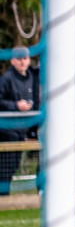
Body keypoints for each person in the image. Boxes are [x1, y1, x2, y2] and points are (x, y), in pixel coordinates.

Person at [0, 47, 39, 196]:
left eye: (25, 58)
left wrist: (31, 131)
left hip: (22, 130)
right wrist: (15, 105)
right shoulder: (6, 78)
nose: (22, 62)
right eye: (19, 59)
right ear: (12, 60)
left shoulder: (31, 78)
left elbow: (35, 102)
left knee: (13, 166)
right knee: (4, 168)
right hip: (7, 131)